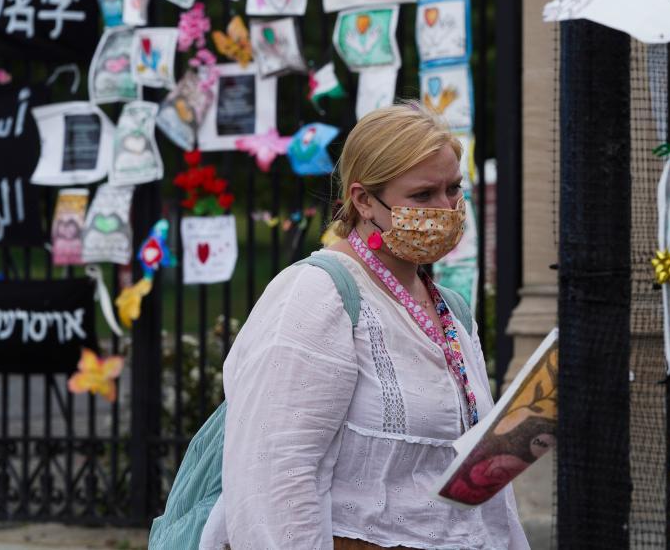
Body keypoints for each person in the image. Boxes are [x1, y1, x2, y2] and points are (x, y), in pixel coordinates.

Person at [199, 105, 528, 549]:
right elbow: (275, 474)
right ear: (363, 200)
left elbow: (482, 488)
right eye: (423, 195)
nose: (446, 209)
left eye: (453, 189)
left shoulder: (451, 309)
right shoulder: (318, 294)